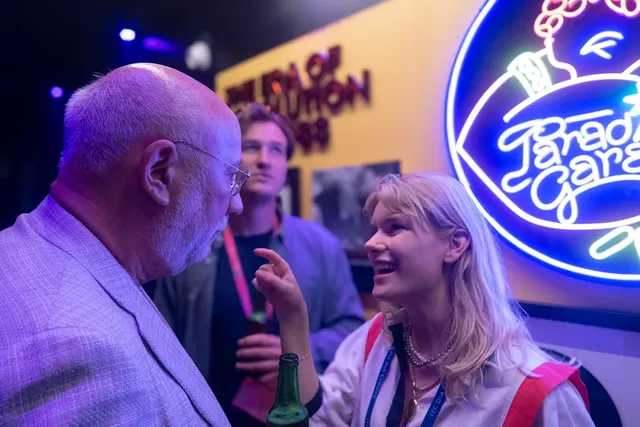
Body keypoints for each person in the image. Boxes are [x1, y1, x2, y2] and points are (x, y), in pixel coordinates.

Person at [0, 63, 243, 426]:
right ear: (159, 172)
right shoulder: (76, 348)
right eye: (231, 176)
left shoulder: (29, 248)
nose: (236, 204)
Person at [251, 172, 594, 426]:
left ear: (454, 245)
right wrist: (293, 317)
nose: (371, 243)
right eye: (375, 229)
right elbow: (319, 417)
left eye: (395, 227)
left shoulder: (534, 391)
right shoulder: (376, 339)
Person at [150, 102, 365, 427]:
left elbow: (351, 329)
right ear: (232, 159)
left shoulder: (321, 246)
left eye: (277, 150)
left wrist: (295, 350)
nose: (265, 160)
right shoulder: (193, 243)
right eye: (252, 147)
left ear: (286, 165)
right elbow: (160, 339)